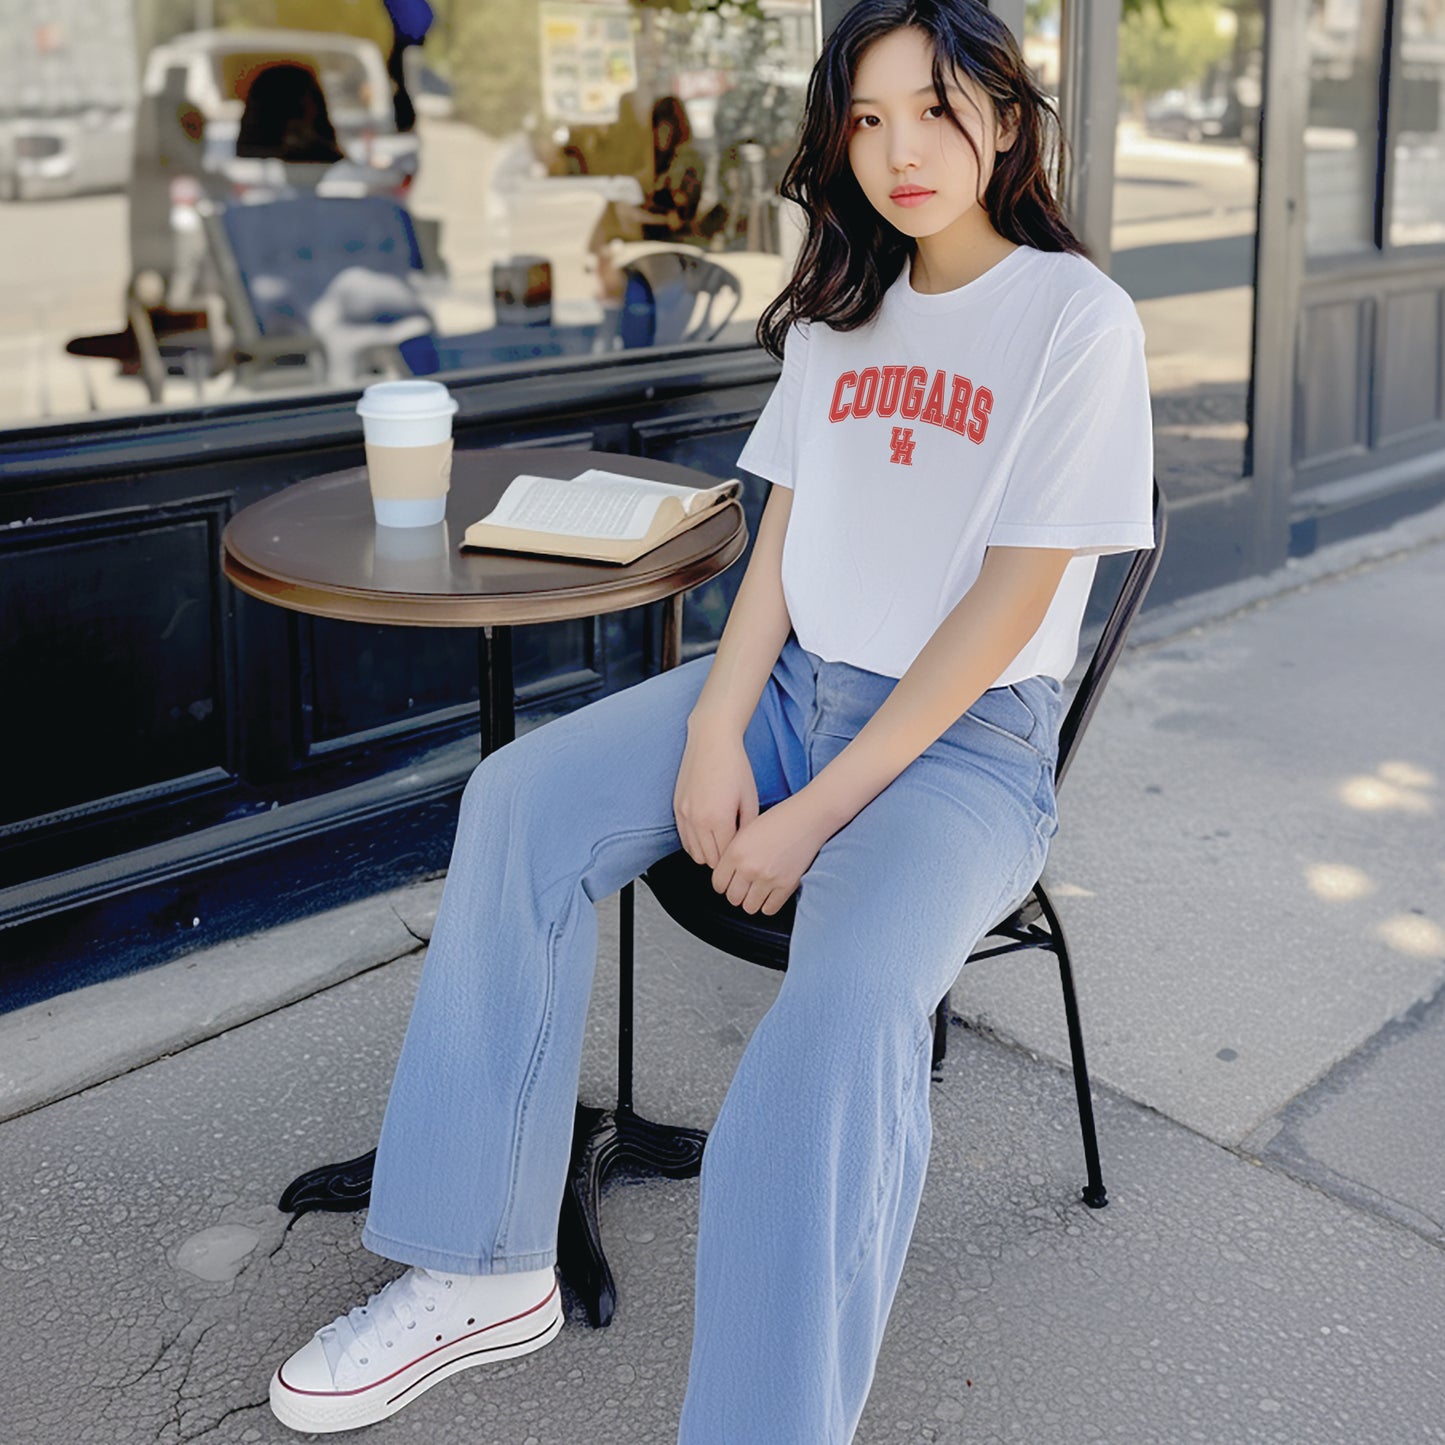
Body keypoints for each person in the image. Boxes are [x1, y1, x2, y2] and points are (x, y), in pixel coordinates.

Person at [267, 0, 1154, 1439]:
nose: (897, 150)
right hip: (797, 693)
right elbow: (779, 557)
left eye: (933, 109)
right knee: (519, 800)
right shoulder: (842, 308)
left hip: (963, 747)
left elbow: (999, 615)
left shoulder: (1072, 318)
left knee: (841, 1014)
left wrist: (807, 811)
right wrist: (711, 732)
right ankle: (479, 1263)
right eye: (864, 119)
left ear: (1004, 114)